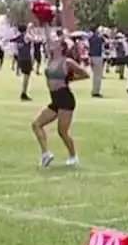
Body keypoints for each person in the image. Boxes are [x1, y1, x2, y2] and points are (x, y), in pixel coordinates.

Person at [33, 35, 88, 167]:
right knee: (36, 124)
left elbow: (85, 74)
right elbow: (46, 38)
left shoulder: (67, 62)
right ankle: (46, 154)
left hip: (65, 98)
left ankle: (73, 156)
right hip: (55, 99)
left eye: (56, 43)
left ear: (62, 47)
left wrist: (70, 79)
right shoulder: (51, 59)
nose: (53, 44)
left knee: (62, 132)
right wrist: (44, 22)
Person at [87, 28, 106, 97]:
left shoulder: (90, 38)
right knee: (98, 76)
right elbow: (105, 42)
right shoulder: (99, 38)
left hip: (91, 56)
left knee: (95, 75)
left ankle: (94, 90)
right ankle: (96, 91)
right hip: (98, 56)